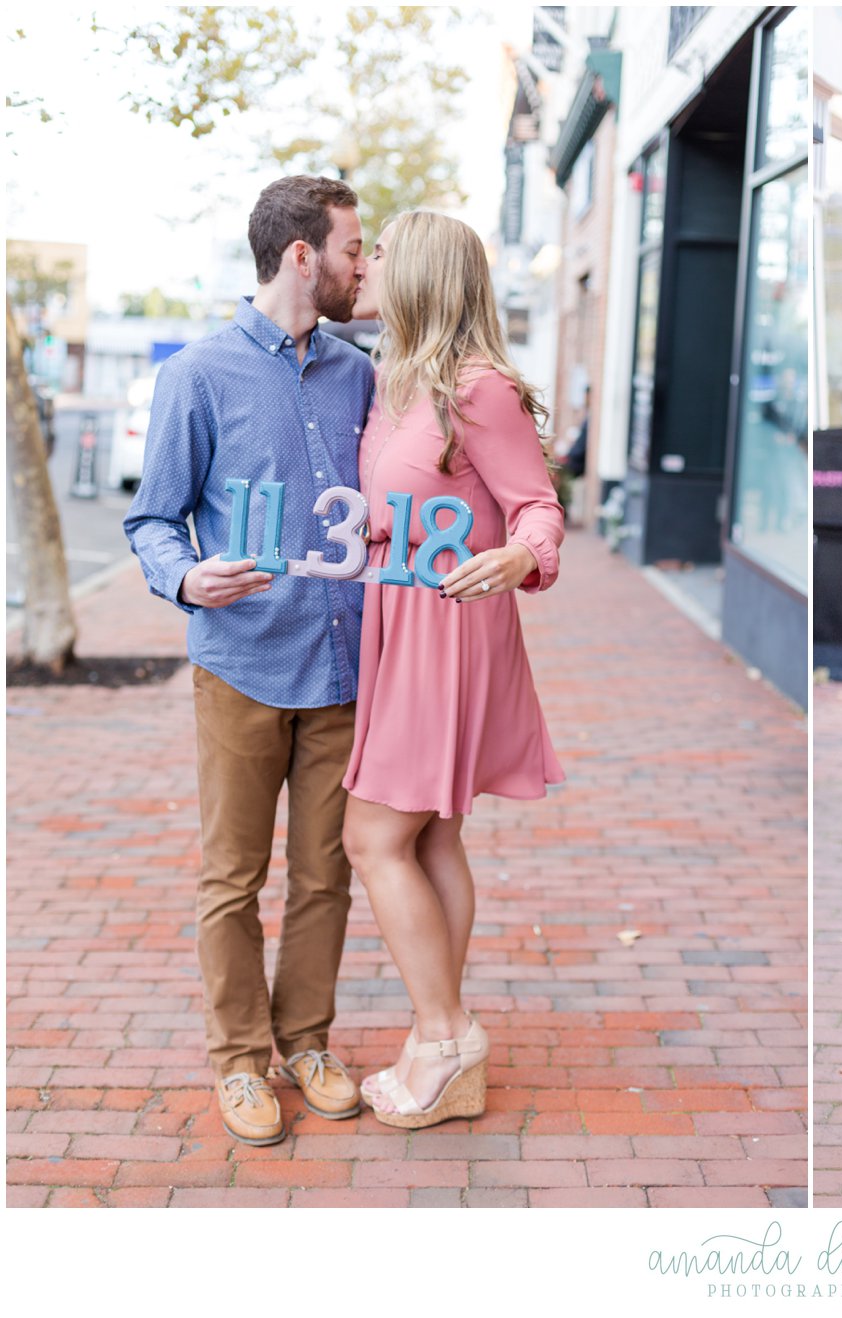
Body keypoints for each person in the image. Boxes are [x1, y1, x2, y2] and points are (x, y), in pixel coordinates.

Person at [125, 176, 373, 1146]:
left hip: (345, 665)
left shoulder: (360, 375)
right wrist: (186, 581)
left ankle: (305, 1039)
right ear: (302, 254)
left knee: (326, 875)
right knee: (231, 877)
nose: (363, 262)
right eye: (353, 245)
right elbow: (151, 519)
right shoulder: (197, 374)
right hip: (238, 664)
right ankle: (238, 1058)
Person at [340, 210, 565, 1130]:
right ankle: (439, 1034)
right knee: (430, 838)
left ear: (422, 272)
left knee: (372, 837)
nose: (367, 264)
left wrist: (521, 556)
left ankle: (445, 1035)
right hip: (395, 622)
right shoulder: (395, 381)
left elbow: (537, 508)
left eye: (380, 252)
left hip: (449, 627)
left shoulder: (481, 389)